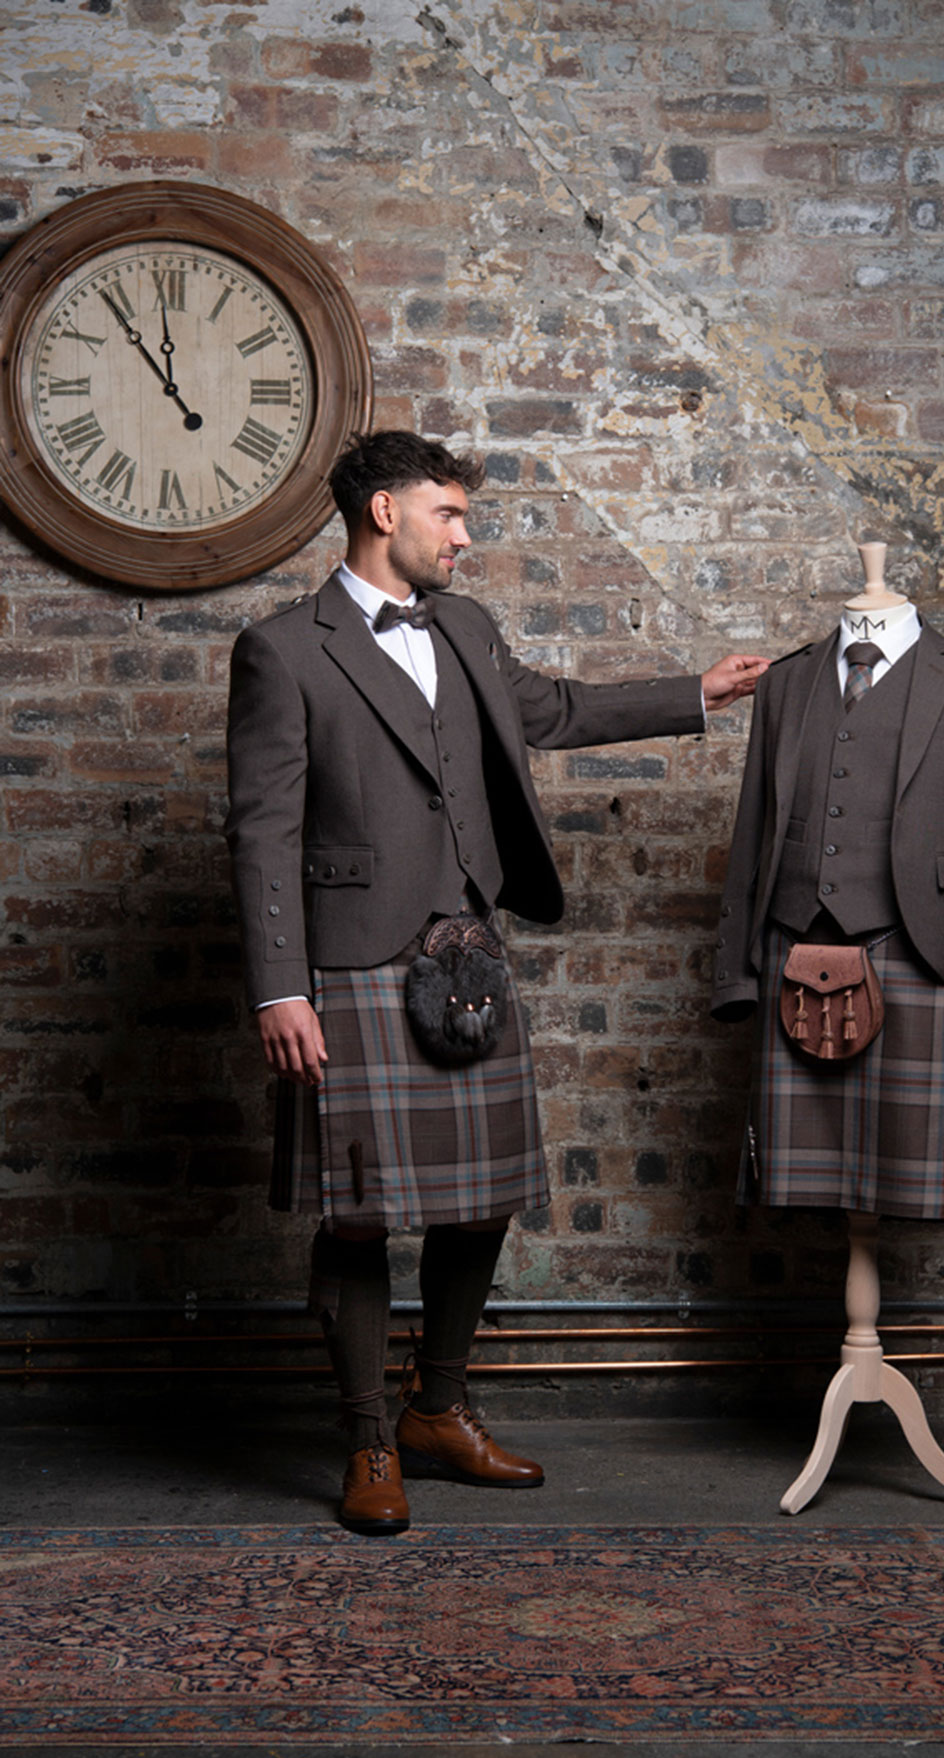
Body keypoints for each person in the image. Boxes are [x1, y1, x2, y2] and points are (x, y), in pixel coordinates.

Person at [225, 429, 767, 1534]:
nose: (465, 536)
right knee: (361, 1215)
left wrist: (695, 692)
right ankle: (369, 1436)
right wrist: (281, 989)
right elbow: (262, 831)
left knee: (485, 1196)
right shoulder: (284, 650)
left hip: (464, 952)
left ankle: (440, 1407)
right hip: (352, 964)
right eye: (449, 515)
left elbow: (552, 711)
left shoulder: (465, 627)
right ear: (385, 513)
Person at [711, 545, 944, 1222]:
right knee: (802, 1173)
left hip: (926, 955)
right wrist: (735, 976)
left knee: (905, 1170)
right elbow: (754, 827)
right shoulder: (786, 681)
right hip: (793, 950)